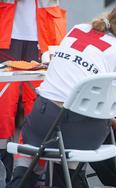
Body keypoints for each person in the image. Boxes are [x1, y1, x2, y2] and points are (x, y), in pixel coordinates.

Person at [6, 2, 116, 188]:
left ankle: (23, 176)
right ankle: (67, 177)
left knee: (38, 141)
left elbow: (72, 89)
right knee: (75, 145)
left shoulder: (78, 29)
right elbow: (105, 111)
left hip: (41, 120)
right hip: (78, 132)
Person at [0, 0, 66, 183]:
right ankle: (4, 171)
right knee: (2, 107)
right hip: (5, 31)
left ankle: (36, 176)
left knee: (41, 106)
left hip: (45, 35)